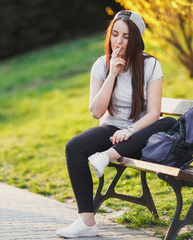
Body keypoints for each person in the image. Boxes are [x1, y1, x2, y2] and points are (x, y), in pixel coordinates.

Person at [56, 10, 176, 238]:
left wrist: (129, 130)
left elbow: (153, 114)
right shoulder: (102, 65)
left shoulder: (150, 66)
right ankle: (87, 222)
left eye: (126, 37)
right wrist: (112, 74)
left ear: (136, 40)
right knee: (74, 146)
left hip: (140, 134)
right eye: (115, 34)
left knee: (168, 122)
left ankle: (107, 157)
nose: (118, 41)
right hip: (111, 130)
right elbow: (96, 111)